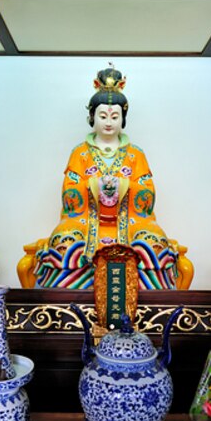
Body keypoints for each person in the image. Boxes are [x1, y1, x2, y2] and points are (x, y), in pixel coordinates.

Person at [34, 66, 179, 290]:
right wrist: (92, 185)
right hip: (85, 221)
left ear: (123, 119)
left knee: (152, 243)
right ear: (92, 117)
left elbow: (147, 196)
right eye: (102, 116)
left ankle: (152, 307)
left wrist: (124, 186)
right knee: (65, 241)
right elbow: (69, 194)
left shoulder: (135, 154)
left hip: (131, 222)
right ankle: (68, 306)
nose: (108, 122)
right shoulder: (80, 153)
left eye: (114, 116)